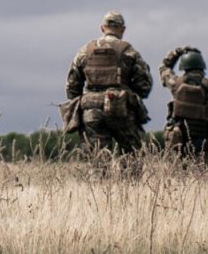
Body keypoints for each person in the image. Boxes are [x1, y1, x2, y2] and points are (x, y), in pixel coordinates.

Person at [64, 11, 152, 152]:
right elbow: (144, 86)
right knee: (132, 158)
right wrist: (128, 95)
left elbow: (72, 86)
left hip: (91, 113)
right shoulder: (129, 51)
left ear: (102, 28)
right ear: (122, 29)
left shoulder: (84, 51)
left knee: (98, 161)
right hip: (122, 111)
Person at [159, 46, 208, 162]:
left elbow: (163, 68)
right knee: (203, 176)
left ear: (184, 65)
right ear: (202, 65)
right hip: (203, 140)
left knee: (176, 175)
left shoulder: (175, 83)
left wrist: (177, 52)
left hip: (178, 139)